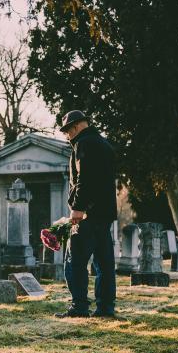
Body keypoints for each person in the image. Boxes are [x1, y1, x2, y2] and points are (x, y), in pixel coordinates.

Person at [55, 110, 118, 318]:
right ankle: (105, 308)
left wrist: (78, 208)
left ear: (75, 127)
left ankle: (79, 307)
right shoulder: (105, 145)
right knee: (104, 264)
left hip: (87, 214)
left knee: (74, 261)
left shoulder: (84, 144)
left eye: (67, 131)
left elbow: (85, 179)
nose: (67, 136)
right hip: (105, 214)